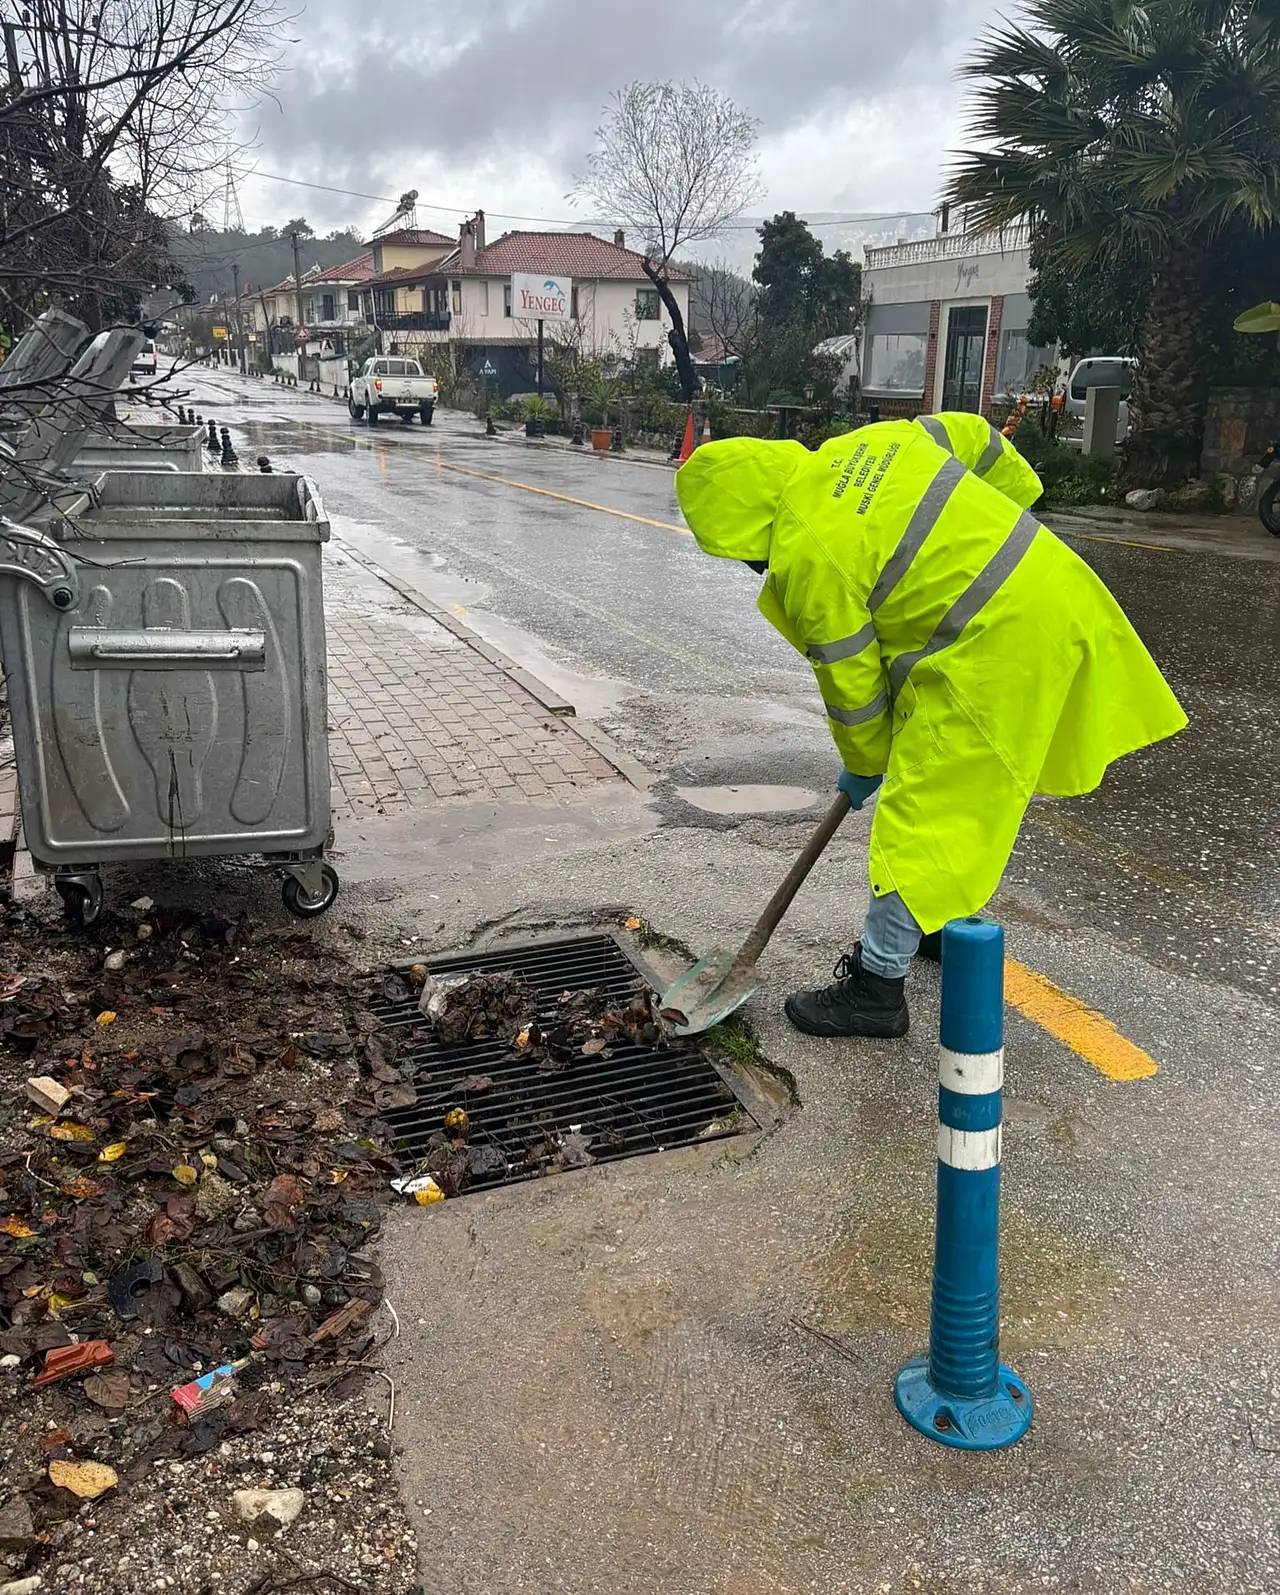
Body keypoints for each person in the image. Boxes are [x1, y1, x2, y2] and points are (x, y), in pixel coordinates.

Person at [675, 413, 1186, 1039]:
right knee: (957, 804)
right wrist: (1001, 519)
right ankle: (931, 920)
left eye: (740, 552)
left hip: (992, 648)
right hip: (1053, 588)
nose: (752, 564)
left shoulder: (807, 554)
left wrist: (866, 764)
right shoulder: (868, 445)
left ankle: (875, 990)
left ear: (741, 527)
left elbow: (853, 688)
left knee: (919, 812)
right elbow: (977, 437)